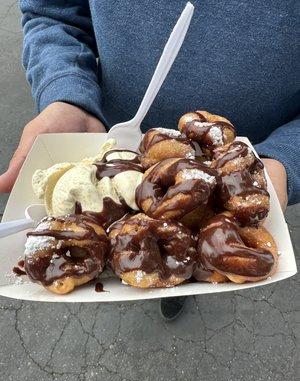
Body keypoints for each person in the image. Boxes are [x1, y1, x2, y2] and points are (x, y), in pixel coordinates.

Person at [0, 1, 299, 320]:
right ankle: (166, 265)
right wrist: (68, 92)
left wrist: (285, 159)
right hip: (115, 143)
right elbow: (51, 13)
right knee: (157, 254)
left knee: (194, 257)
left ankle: (183, 267)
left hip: (245, 161)